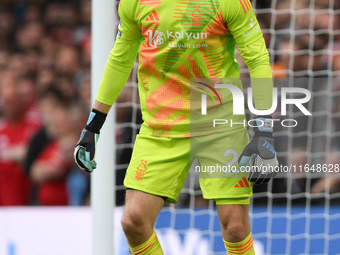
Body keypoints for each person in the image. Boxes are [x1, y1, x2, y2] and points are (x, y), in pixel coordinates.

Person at [74, 0, 278, 254]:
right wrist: (94, 125)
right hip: (162, 127)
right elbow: (120, 59)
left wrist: (264, 130)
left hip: (220, 124)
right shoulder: (135, 3)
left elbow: (258, 60)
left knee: (235, 227)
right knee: (133, 221)